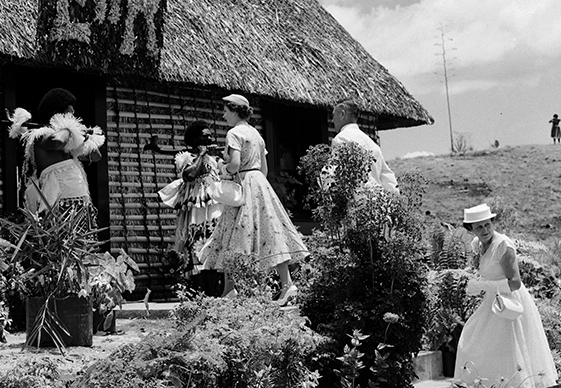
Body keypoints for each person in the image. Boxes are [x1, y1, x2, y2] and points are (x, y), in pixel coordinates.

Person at [454, 203, 558, 388]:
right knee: (472, 346)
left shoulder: (504, 245)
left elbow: (515, 282)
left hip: (509, 306)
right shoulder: (478, 245)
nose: (484, 230)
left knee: (514, 360)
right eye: (478, 227)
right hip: (492, 303)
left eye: (487, 224)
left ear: (493, 223)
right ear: (471, 229)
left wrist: (483, 286)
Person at [198, 94, 309, 304]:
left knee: (232, 231)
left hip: (245, 183)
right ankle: (286, 284)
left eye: (226, 111)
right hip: (259, 182)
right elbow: (264, 168)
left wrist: (222, 167)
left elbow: (235, 165)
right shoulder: (256, 135)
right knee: (271, 232)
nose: (223, 115)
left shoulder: (234, 133)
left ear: (234, 111)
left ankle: (230, 289)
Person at [7, 88, 105, 215]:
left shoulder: (69, 140)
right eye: (69, 114)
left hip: (78, 202)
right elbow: (57, 142)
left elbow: (95, 156)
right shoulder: (42, 135)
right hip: (58, 204)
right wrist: (69, 128)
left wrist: (85, 138)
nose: (73, 118)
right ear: (57, 115)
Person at [157, 121, 223, 284]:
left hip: (213, 207)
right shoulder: (187, 158)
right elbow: (190, 175)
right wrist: (201, 155)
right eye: (204, 135)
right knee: (197, 242)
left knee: (214, 241)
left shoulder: (212, 159)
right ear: (194, 139)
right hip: (196, 210)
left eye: (209, 135)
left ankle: (215, 283)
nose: (209, 137)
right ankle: (199, 285)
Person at [330, 98, 399, 193]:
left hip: (357, 203)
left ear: (342, 114)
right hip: (377, 203)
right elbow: (389, 180)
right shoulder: (372, 144)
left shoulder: (342, 139)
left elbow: (332, 175)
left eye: (333, 115)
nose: (332, 120)